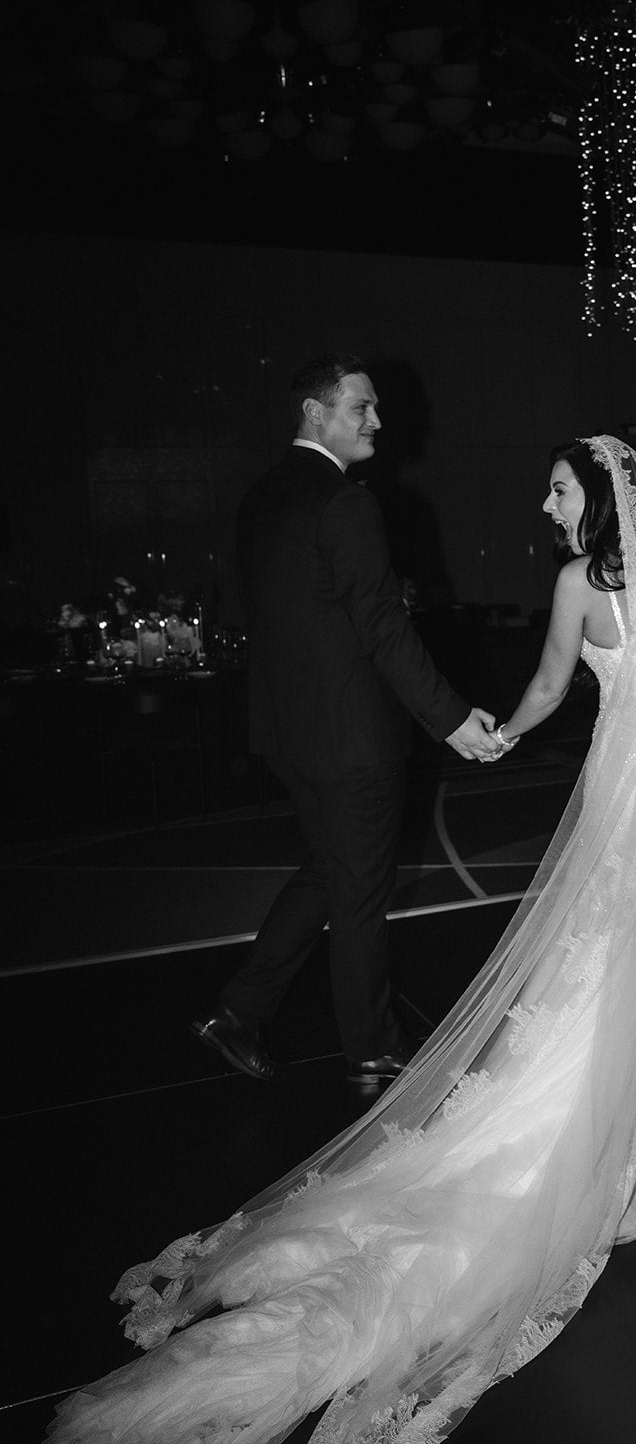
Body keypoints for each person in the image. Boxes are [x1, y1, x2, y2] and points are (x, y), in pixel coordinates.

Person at [37, 436, 636, 1444]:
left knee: (608, 950)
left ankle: (608, 1121)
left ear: (599, 499)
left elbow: (553, 687)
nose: (545, 505)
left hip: (629, 794)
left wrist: (500, 733)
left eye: (557, 490)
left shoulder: (575, 585)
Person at [191, 355, 502, 1093]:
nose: (378, 422)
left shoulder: (262, 496)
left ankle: (239, 1012)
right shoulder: (346, 503)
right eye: (361, 407)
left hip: (286, 732)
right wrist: (451, 718)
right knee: (360, 891)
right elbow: (381, 629)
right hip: (351, 738)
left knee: (330, 872)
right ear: (314, 411)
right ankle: (373, 1049)